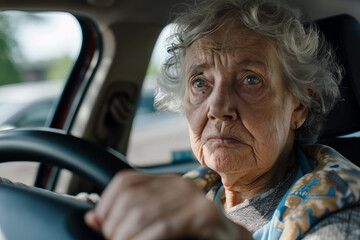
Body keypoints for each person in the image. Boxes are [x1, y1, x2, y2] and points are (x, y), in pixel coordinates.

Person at [84, 0, 360, 239]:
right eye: (200, 82)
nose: (217, 107)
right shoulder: (198, 186)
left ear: (299, 105)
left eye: (251, 79)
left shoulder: (341, 210)